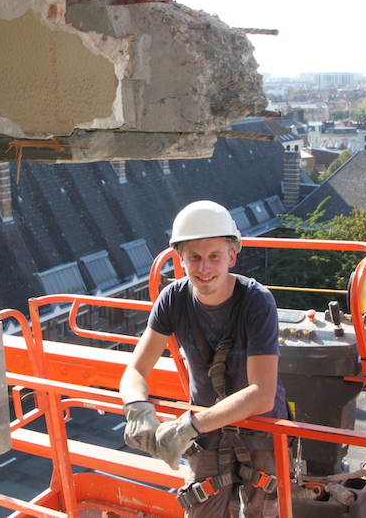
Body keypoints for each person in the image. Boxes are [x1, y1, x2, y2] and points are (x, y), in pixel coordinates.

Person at [119, 200, 288, 518]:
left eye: (214, 257)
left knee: (263, 511)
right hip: (205, 432)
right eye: (194, 258)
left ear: (232, 257)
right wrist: (136, 408)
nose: (204, 268)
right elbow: (136, 370)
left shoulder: (257, 303)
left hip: (260, 431)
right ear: (180, 258)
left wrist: (188, 427)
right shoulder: (173, 299)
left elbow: (262, 394)